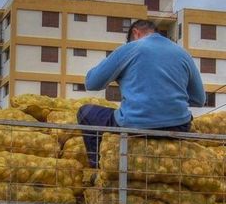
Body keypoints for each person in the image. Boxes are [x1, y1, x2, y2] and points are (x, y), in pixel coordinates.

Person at [78, 19, 206, 167]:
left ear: (136, 33)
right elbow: (199, 99)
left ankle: (97, 169)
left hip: (137, 124)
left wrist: (108, 62)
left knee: (85, 112)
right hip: (178, 125)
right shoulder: (183, 53)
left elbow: (92, 83)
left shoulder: (130, 49)